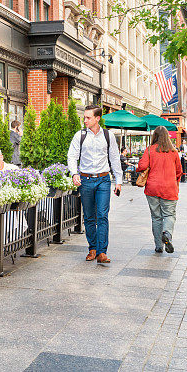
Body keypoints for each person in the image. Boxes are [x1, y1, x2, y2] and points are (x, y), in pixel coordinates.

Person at [67, 104, 122, 264]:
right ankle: (93, 248)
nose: (85, 120)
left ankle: (102, 252)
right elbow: (72, 156)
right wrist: (74, 173)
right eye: (84, 117)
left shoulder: (108, 135)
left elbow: (114, 158)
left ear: (97, 118)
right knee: (89, 217)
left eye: (88, 117)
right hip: (86, 180)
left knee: (102, 216)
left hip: (104, 180)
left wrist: (118, 181)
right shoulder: (80, 135)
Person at [136, 126, 183, 253]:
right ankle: (167, 234)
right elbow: (179, 171)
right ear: (167, 136)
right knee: (169, 214)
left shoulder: (150, 150)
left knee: (156, 217)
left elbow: (142, 166)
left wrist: (140, 168)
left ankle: (158, 246)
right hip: (169, 188)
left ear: (154, 136)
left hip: (152, 188)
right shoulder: (173, 152)